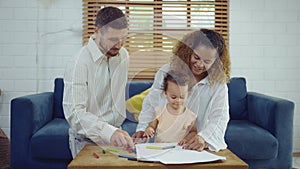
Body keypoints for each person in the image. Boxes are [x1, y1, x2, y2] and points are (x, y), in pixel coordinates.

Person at [133, 29, 231, 152]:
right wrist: (142, 129)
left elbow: (219, 117)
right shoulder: (166, 72)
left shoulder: (218, 84)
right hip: (165, 142)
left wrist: (203, 137)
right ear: (188, 51)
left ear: (216, 62)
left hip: (196, 145)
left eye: (207, 61)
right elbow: (151, 104)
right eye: (196, 57)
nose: (199, 64)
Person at [63, 6, 134, 157]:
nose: (119, 45)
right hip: (86, 139)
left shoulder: (123, 56)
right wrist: (109, 132)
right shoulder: (79, 63)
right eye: (113, 39)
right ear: (97, 31)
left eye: (123, 38)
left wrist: (115, 131)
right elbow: (75, 114)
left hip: (116, 136)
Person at [143, 70, 197, 144]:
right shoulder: (159, 111)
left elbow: (193, 132)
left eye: (182, 97)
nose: (178, 100)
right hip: (159, 148)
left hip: (178, 150)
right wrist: (149, 129)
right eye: (173, 97)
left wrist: (186, 139)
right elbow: (152, 126)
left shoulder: (189, 115)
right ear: (165, 93)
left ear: (188, 94)